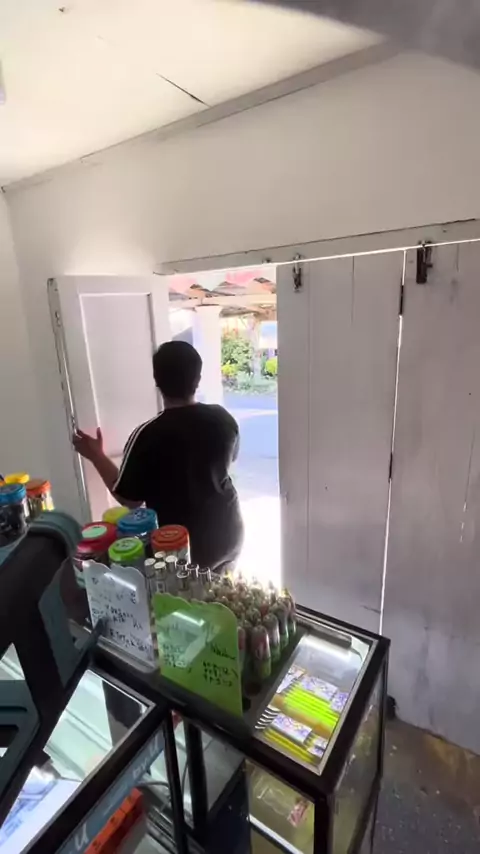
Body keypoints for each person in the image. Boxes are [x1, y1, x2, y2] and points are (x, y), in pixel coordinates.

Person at [73, 341, 244, 571]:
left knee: (191, 592)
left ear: (157, 381)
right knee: (223, 588)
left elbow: (129, 499)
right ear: (198, 379)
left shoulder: (148, 434)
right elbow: (232, 458)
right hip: (228, 532)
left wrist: (96, 455)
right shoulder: (222, 419)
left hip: (181, 545)